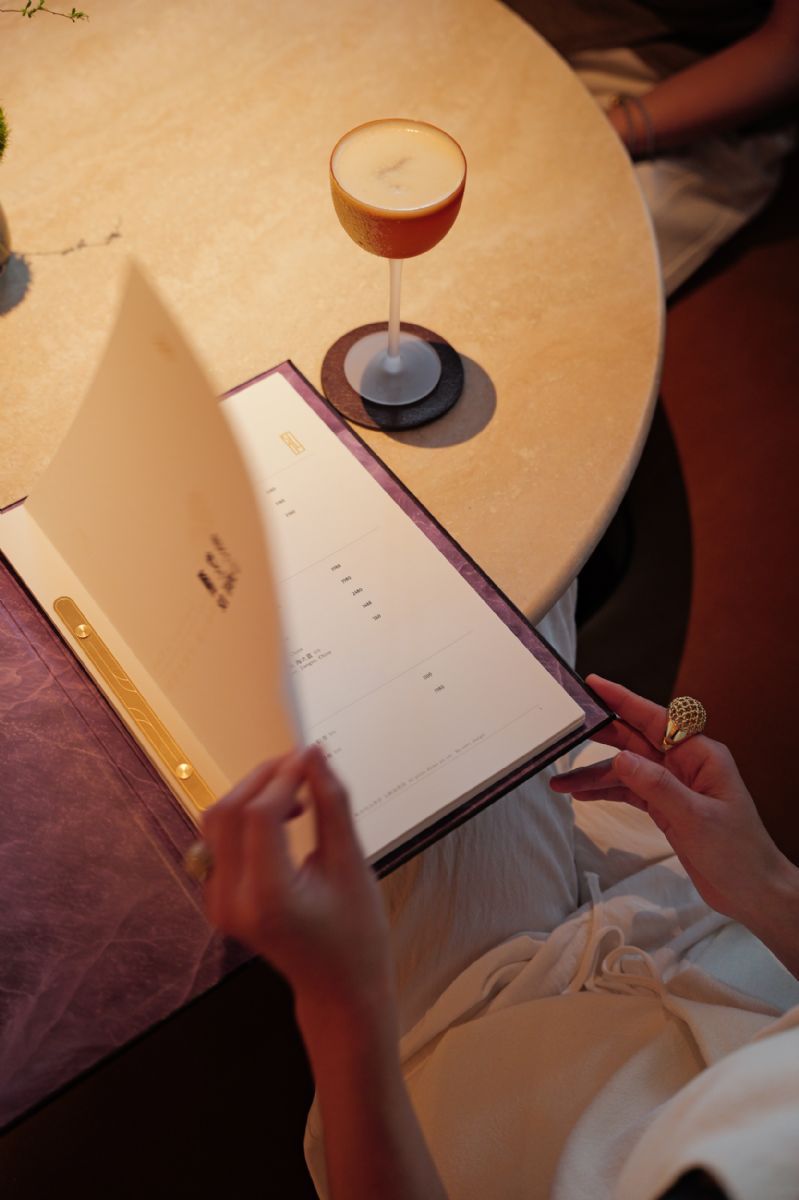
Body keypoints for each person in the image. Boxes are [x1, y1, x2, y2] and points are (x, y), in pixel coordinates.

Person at [201, 668, 799, 1199]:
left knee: (374, 711)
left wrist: (341, 1003)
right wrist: (766, 883)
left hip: (483, 1047)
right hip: (719, 934)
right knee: (509, 654)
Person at [508, 0, 799, 294]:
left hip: (682, 81)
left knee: (547, 263)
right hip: (548, 18)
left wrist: (600, 136)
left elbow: (787, 51)